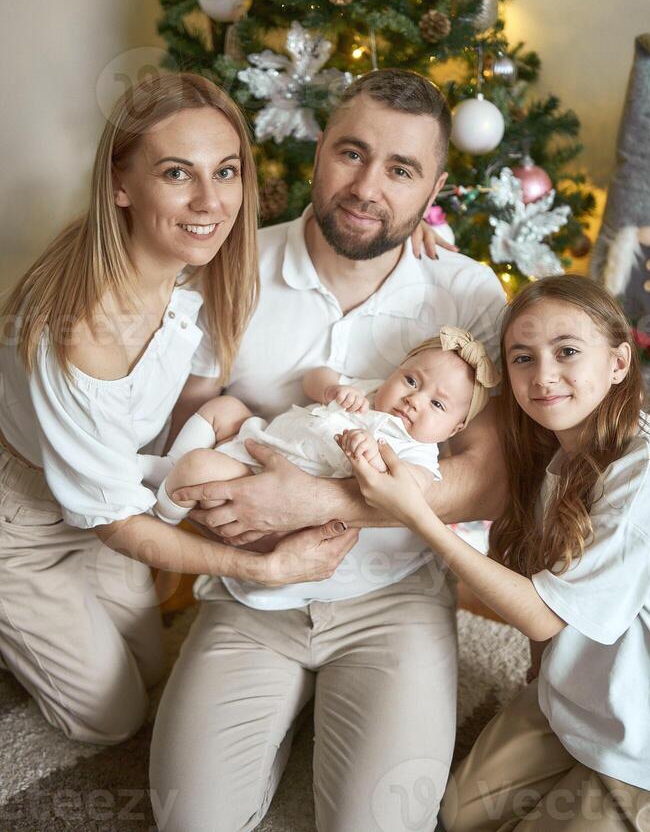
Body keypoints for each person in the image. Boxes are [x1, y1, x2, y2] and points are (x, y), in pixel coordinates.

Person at [149, 69, 509, 832]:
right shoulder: (233, 264)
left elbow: (487, 480)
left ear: (434, 186)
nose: (366, 186)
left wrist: (322, 501)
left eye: (401, 169)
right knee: (189, 820)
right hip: (250, 592)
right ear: (319, 150)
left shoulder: (468, 295)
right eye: (352, 153)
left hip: (395, 600)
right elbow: (183, 424)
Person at [0, 72, 358, 746]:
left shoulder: (194, 264)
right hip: (21, 519)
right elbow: (116, 526)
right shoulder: (75, 334)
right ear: (120, 185)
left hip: (112, 496)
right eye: (177, 173)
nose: (211, 201)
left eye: (226, 172)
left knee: (148, 667)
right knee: (112, 720)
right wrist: (265, 567)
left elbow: (184, 407)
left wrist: (413, 234)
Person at [346, 274, 650, 831]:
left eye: (567, 352)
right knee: (459, 817)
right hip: (572, 703)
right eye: (522, 358)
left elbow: (542, 616)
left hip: (645, 742)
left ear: (617, 363)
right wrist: (541, 679)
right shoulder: (556, 456)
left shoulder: (643, 476)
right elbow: (548, 588)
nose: (544, 376)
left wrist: (417, 514)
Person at [140, 327, 499, 531]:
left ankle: (164, 516)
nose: (415, 400)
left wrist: (373, 458)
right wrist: (333, 389)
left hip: (260, 476)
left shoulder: (416, 450)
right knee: (224, 407)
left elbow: (414, 487)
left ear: (456, 428)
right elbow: (314, 376)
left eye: (437, 405)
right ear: (397, 369)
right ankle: (167, 466)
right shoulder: (370, 391)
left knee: (201, 466)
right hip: (262, 435)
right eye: (410, 380)